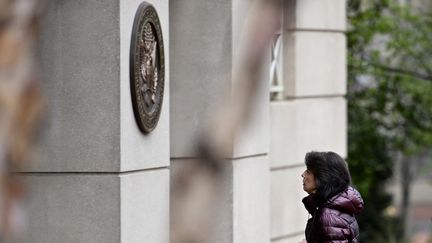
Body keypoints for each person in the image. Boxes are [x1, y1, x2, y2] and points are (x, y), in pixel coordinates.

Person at [300, 151, 364, 243]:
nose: (303, 174)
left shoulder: (329, 217)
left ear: (322, 178)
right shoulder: (334, 207)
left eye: (308, 172)